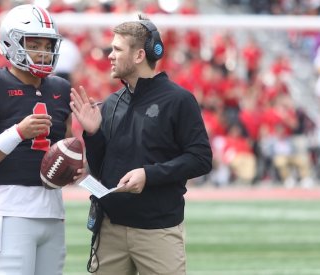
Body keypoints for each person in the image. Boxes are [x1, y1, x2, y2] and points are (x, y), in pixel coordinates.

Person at [70, 14, 213, 275]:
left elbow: (201, 158)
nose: (110, 56)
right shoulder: (111, 103)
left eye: (116, 49)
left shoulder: (179, 100)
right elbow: (102, 170)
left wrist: (149, 174)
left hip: (157, 231)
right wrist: (92, 134)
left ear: (139, 55)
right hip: (110, 230)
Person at [0, 5, 77, 275]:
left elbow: (69, 156)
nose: (42, 52)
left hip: (54, 212)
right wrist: (18, 133)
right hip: (11, 213)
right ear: (10, 43)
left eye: (47, 45)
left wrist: (84, 149)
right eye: (33, 43)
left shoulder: (60, 88)